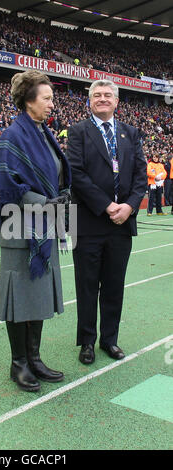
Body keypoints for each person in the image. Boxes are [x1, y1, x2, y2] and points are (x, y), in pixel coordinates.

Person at [0, 70, 71, 392]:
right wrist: (44, 201)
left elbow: (55, 175)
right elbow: (2, 184)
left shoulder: (42, 132)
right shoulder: (13, 136)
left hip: (44, 227)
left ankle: (34, 358)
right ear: (29, 100)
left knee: (37, 295)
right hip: (20, 228)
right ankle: (18, 363)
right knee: (20, 297)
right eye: (47, 98)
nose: (52, 104)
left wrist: (59, 198)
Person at [66, 79, 147, 365]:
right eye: (97, 95)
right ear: (89, 101)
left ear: (116, 101)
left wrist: (129, 206)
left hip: (121, 224)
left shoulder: (131, 133)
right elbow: (75, 174)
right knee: (87, 286)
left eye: (107, 95)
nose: (102, 99)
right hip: (89, 223)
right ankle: (86, 341)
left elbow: (140, 175)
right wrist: (107, 205)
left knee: (114, 285)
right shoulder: (78, 132)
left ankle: (109, 340)